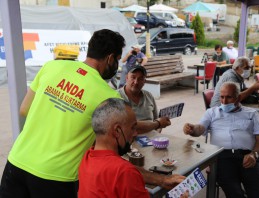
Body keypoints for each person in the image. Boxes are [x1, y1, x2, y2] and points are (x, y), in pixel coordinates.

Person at [0, 29, 182, 198]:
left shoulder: (52, 67)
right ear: (110, 58)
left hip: (16, 163)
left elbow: (24, 109)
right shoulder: (107, 95)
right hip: (56, 178)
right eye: (118, 59)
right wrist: (157, 124)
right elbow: (125, 134)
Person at [78, 98, 188, 198]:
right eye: (132, 128)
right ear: (117, 131)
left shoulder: (87, 158)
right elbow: (126, 172)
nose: (135, 133)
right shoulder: (124, 172)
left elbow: (127, 171)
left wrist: (162, 180)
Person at [183, 82, 259, 198]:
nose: (224, 101)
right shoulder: (212, 112)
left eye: (229, 97)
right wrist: (192, 129)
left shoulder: (252, 114)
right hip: (222, 158)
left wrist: (254, 154)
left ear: (238, 98)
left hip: (248, 156)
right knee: (234, 194)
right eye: (222, 97)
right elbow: (200, 128)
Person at [118, 66, 170, 133]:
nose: (136, 82)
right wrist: (158, 124)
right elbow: (126, 126)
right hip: (128, 141)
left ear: (144, 81)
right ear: (127, 78)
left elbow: (157, 120)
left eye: (140, 79)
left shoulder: (149, 96)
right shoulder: (117, 97)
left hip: (152, 139)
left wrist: (157, 133)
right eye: (133, 77)